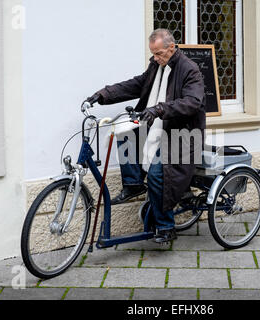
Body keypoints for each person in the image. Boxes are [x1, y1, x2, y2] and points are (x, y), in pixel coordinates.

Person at [86, 29, 206, 243]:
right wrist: (103, 95)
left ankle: (166, 227)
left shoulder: (190, 69)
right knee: (124, 133)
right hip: (158, 126)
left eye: (159, 54)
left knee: (158, 174)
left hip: (181, 135)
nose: (156, 58)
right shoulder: (156, 66)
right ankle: (133, 184)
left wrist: (160, 109)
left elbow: (192, 103)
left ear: (172, 47)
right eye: (153, 54)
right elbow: (136, 84)